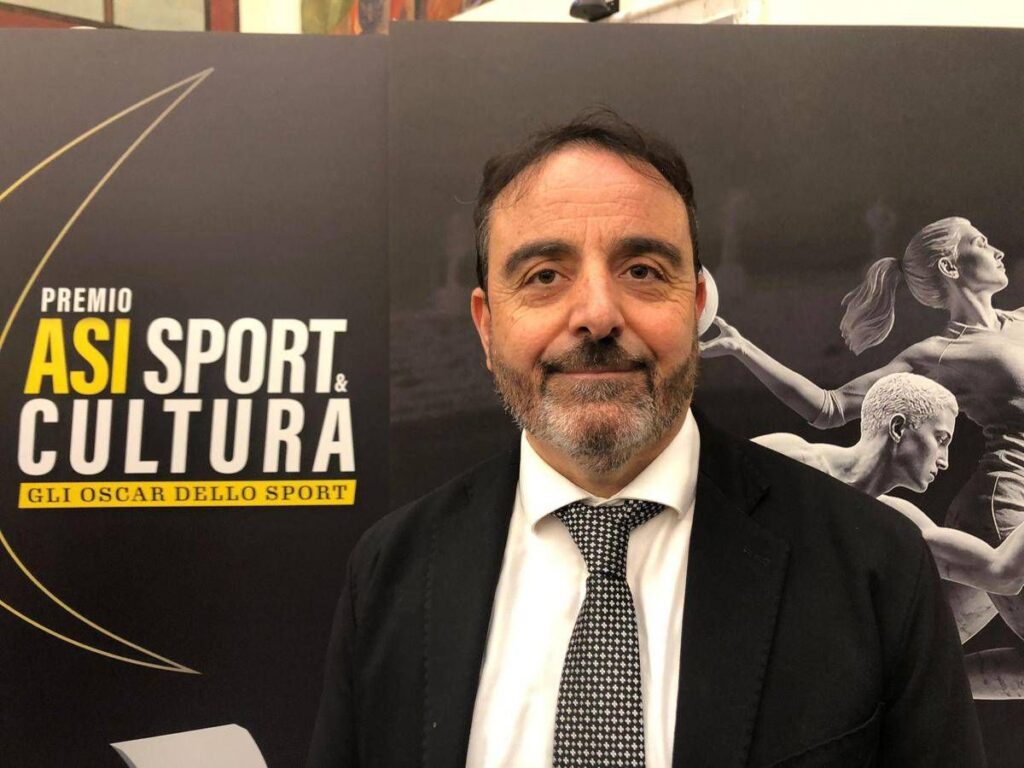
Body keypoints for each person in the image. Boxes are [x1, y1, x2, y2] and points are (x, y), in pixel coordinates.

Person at [308, 112, 983, 767]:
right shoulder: (391, 573)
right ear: (487, 327)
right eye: (544, 276)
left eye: (642, 271)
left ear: (697, 308)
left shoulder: (875, 565)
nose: (598, 314)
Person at [701, 217, 1024, 647]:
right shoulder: (936, 355)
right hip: (1007, 500)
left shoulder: (1019, 320)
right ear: (950, 266)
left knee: (927, 653)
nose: (998, 251)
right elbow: (828, 407)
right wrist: (743, 348)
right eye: (982, 243)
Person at [755, 372, 1024, 599]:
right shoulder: (790, 458)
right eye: (941, 439)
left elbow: (1001, 574)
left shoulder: (898, 524)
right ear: (898, 428)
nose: (944, 462)